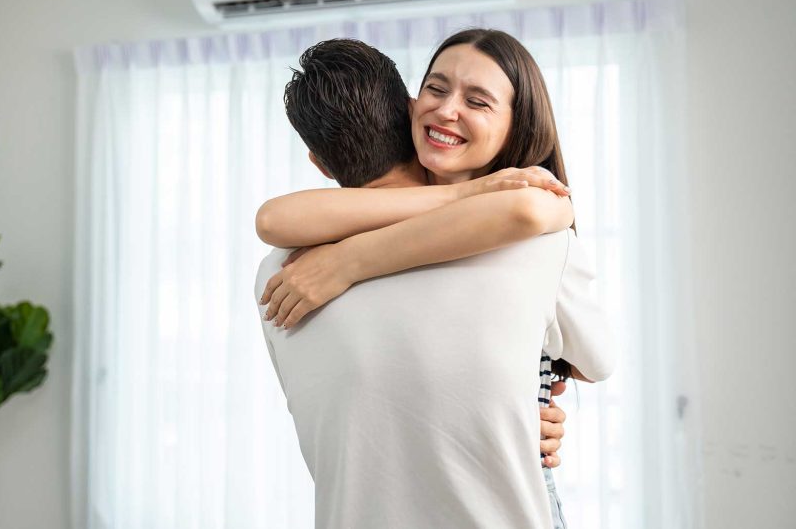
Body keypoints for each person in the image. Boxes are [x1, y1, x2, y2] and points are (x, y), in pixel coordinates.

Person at [254, 36, 615, 528]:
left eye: (476, 100)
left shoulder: (279, 273)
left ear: (318, 162)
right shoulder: (536, 242)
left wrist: (350, 261)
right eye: (437, 89)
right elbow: (596, 361)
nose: (447, 111)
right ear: (409, 110)